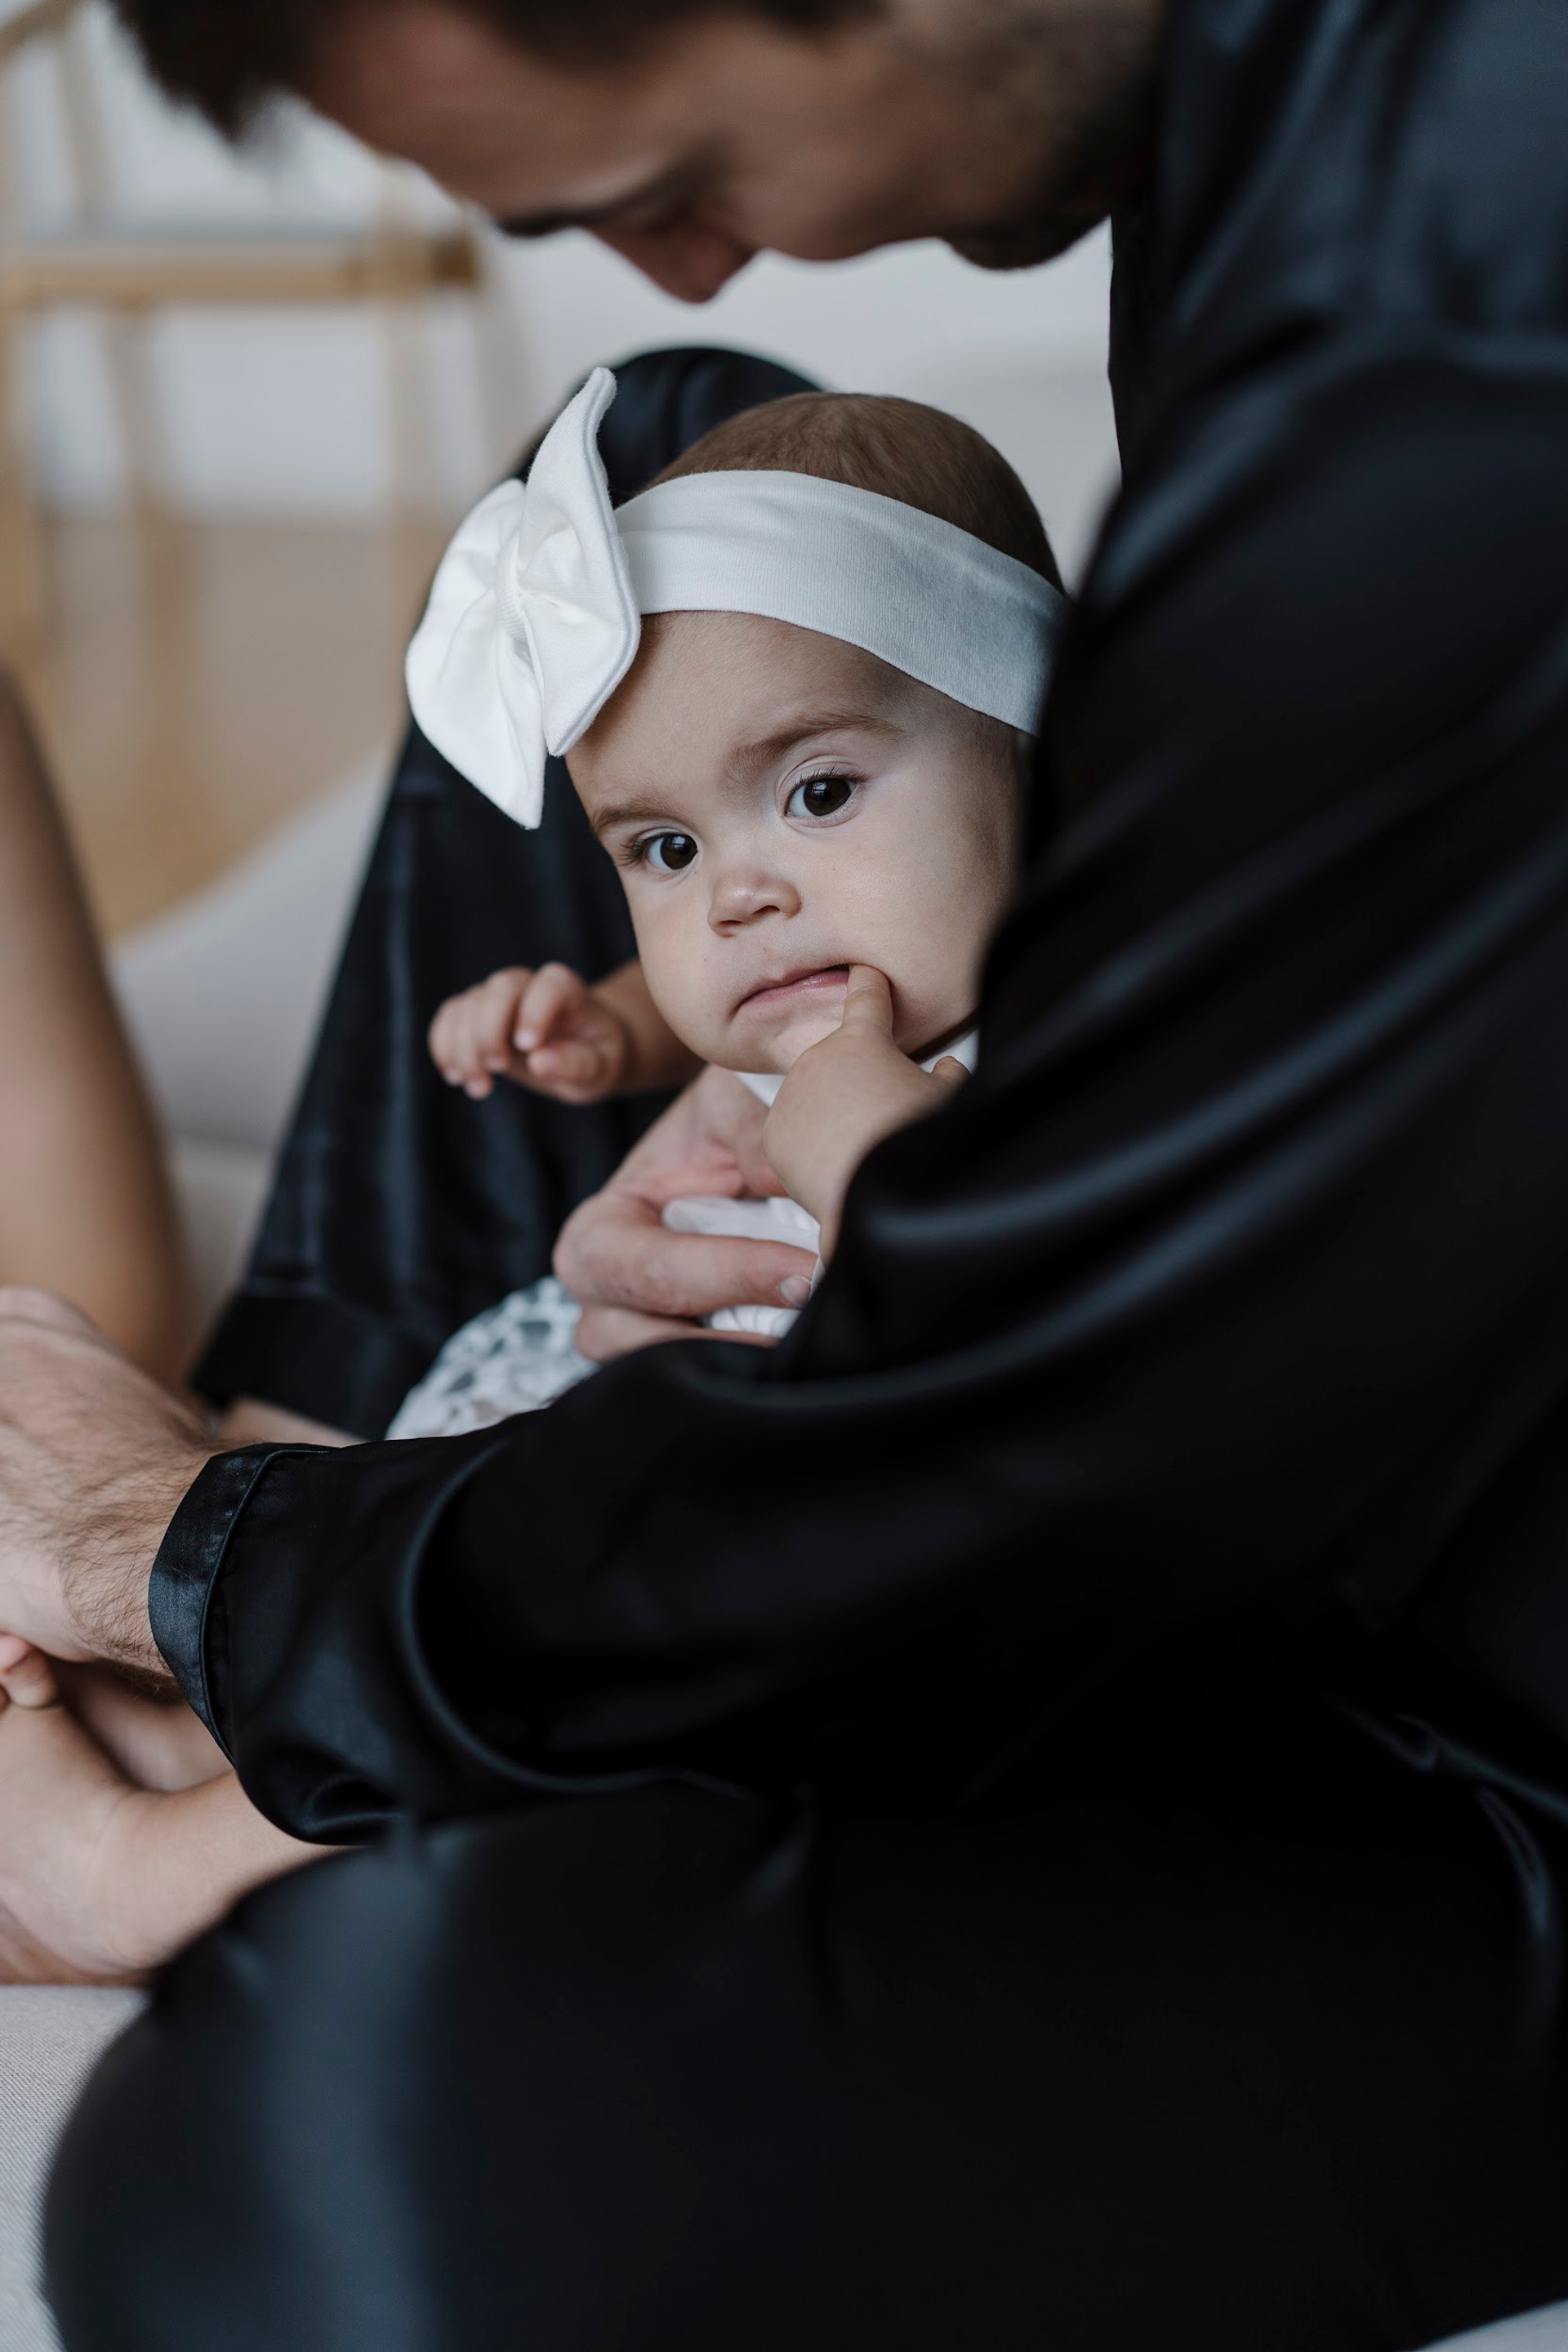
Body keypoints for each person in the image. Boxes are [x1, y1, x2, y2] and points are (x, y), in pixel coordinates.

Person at [0, 0, 1564, 2342]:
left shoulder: (1459, 295)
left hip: (1440, 1730)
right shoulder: (1262, 142)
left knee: (332, 2155)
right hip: (1168, 1447)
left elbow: (1021, 1458)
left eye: (669, 174)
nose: (705, 269)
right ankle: (324, 1460)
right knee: (642, 476)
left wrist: (177, 1556)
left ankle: (257, 1638)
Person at [0, 374, 1061, 1976]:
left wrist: (858, 1140)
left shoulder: (1062, 1047)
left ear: (1051, 777)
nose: (742, 898)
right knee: (479, 1636)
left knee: (600, 1686)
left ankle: (155, 1862)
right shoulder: (817, 964)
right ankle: (217, 1756)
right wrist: (598, 1030)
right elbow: (682, 1016)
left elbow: (987, 1298)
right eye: (662, 852)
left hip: (761, 1561)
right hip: (565, 1460)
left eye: (819, 791)